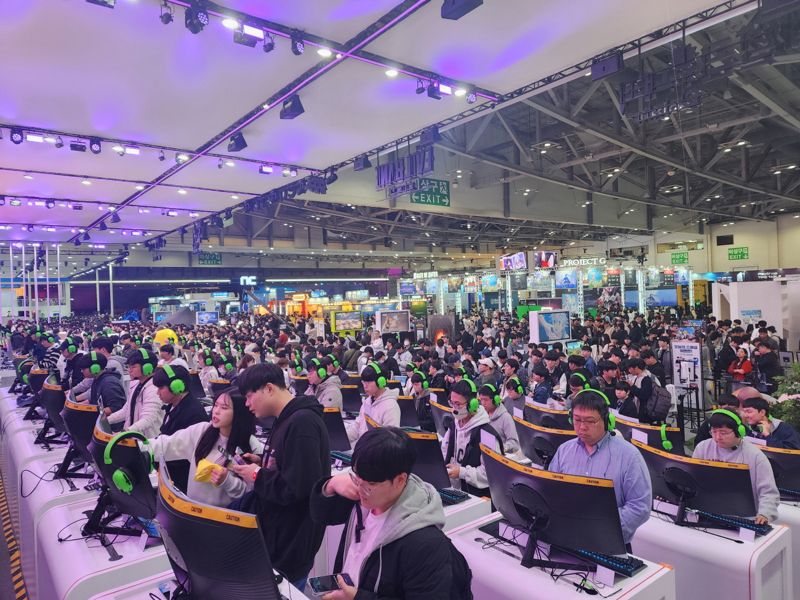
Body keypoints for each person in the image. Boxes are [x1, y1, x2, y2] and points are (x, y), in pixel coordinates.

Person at [310, 427, 470, 599]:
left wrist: (357, 597)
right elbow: (321, 515)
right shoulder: (364, 494)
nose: (360, 488)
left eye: (370, 484)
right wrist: (331, 485)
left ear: (400, 480)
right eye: (356, 478)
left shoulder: (427, 544)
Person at [230, 363, 330, 589]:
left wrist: (257, 475)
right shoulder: (287, 418)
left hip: (291, 541)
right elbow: (292, 467)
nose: (246, 404)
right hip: (281, 534)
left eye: (249, 396)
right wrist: (264, 463)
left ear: (268, 388)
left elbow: (298, 487)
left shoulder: (302, 422)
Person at [548, 389, 652, 546]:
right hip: (567, 538)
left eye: (590, 421)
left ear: (607, 420)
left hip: (609, 543)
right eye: (577, 420)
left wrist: (599, 528)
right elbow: (551, 492)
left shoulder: (629, 456)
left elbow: (640, 507)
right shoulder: (564, 450)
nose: (582, 427)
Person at [146, 388, 259, 506]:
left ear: (239, 413)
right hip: (192, 510)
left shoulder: (252, 445)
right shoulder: (202, 431)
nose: (216, 411)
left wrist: (227, 481)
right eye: (216, 405)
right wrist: (140, 446)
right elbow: (166, 444)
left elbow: (250, 494)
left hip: (223, 515)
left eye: (224, 408)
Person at [693, 410, 779, 524]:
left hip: (744, 518)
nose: (717, 437)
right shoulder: (703, 448)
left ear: (739, 431)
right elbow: (693, 480)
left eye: (723, 433)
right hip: (708, 512)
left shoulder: (755, 456)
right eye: (714, 432)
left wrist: (765, 513)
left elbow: (768, 492)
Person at [441, 379, 504, 496]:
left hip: (476, 496)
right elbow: (444, 451)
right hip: (453, 490)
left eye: (458, 404)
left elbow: (491, 473)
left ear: (472, 405)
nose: (454, 409)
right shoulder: (454, 425)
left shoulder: (487, 435)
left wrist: (462, 473)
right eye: (452, 403)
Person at [105, 348, 164, 438]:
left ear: (147, 367)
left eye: (133, 367)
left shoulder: (154, 389)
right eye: (128, 367)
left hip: (147, 441)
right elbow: (126, 411)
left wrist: (124, 433)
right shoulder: (136, 384)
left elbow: (148, 419)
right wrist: (105, 421)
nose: (129, 370)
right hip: (133, 437)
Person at [345, 363, 400, 446]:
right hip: (363, 448)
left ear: (381, 382)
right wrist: (340, 438)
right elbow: (357, 426)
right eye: (363, 382)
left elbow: (390, 442)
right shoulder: (367, 401)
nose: (365, 386)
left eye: (368, 382)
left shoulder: (391, 407)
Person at [154, 364, 208, 436]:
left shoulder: (192, 414)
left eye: (160, 388)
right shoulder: (173, 405)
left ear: (176, 387)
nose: (157, 393)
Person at [78, 352, 127, 416]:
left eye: (83, 369)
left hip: (108, 421)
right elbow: (94, 401)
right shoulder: (98, 379)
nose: (81, 371)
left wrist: (92, 413)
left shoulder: (109, 383)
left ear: (94, 368)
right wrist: (78, 406)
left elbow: (116, 407)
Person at [479, 384, 519, 454]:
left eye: (485, 400)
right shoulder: (482, 415)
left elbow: (514, 444)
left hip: (497, 455)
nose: (483, 403)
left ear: (495, 400)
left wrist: (501, 448)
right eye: (481, 400)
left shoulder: (506, 418)